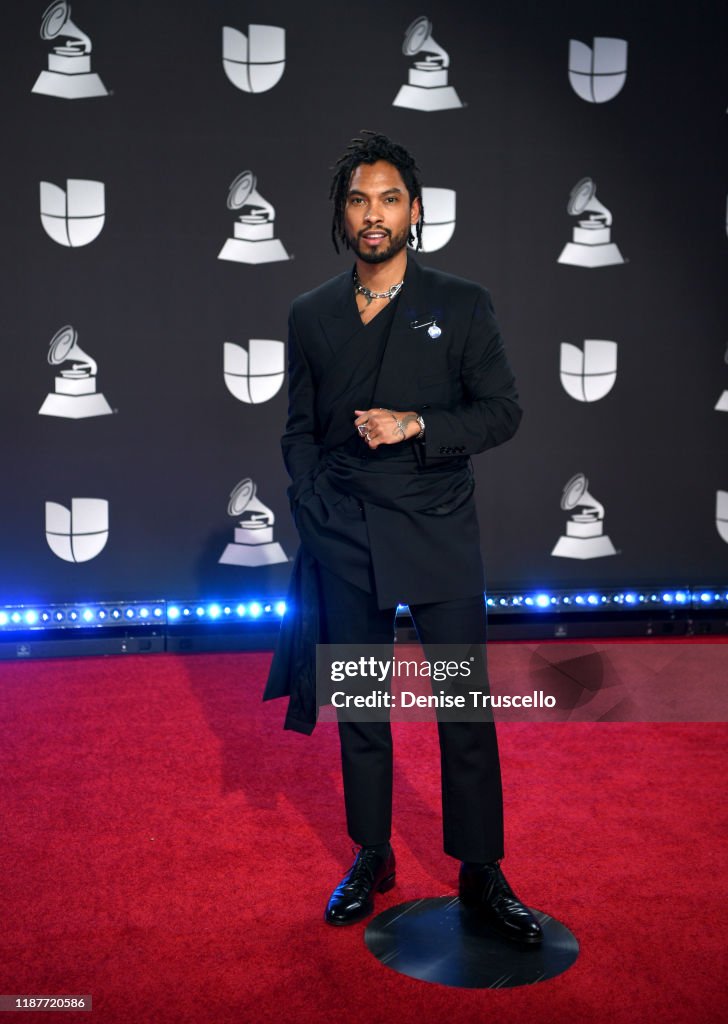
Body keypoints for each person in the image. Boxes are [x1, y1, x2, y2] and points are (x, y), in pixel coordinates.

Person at [264, 132, 542, 944]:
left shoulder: (462, 303)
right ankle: (372, 853)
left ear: (414, 212)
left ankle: (481, 871)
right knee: (362, 706)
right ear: (341, 217)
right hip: (344, 532)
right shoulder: (310, 313)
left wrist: (418, 423)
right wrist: (313, 506)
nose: (373, 214)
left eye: (388, 198)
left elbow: (502, 411)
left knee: (463, 705)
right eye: (358, 200)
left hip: (436, 524)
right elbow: (298, 431)